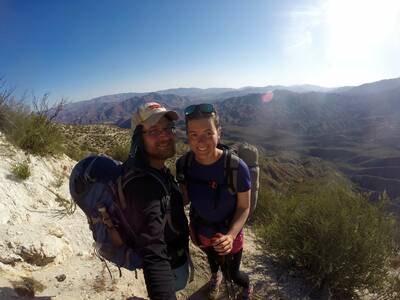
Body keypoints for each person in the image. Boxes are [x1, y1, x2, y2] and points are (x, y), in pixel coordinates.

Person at [177, 103, 253, 300]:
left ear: (218, 132)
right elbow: (184, 199)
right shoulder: (184, 165)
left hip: (230, 233)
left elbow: (244, 207)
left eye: (208, 133)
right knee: (212, 260)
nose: (200, 141)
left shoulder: (236, 167)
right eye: (193, 134)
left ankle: (246, 286)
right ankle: (215, 277)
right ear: (187, 136)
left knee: (233, 273)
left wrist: (230, 236)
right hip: (203, 230)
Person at [123, 102, 189, 300]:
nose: (165, 135)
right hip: (171, 267)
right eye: (154, 131)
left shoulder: (153, 168)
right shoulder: (144, 186)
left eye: (168, 128)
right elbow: (154, 253)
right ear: (138, 139)